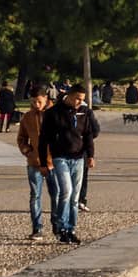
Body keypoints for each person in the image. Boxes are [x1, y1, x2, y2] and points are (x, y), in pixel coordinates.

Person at [43, 85, 95, 243]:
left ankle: (71, 228)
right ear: (69, 96)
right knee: (66, 191)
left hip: (78, 158)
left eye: (82, 100)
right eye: (78, 98)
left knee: (75, 197)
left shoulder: (83, 112)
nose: (80, 102)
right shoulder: (53, 113)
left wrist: (90, 155)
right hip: (60, 157)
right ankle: (61, 227)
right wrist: (44, 160)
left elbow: (88, 135)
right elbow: (44, 138)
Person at [14, 83, 54, 240]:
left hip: (53, 163)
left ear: (45, 98)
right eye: (33, 102)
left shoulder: (55, 114)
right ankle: (37, 228)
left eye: (39, 101)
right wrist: (28, 152)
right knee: (35, 196)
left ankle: (57, 224)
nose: (36, 105)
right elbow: (21, 138)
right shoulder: (28, 117)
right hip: (34, 163)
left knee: (56, 195)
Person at [77, 98, 100, 212]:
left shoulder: (86, 112)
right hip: (79, 150)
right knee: (81, 177)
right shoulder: (87, 111)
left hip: (81, 150)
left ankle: (78, 200)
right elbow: (95, 131)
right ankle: (80, 200)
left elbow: (94, 131)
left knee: (80, 177)